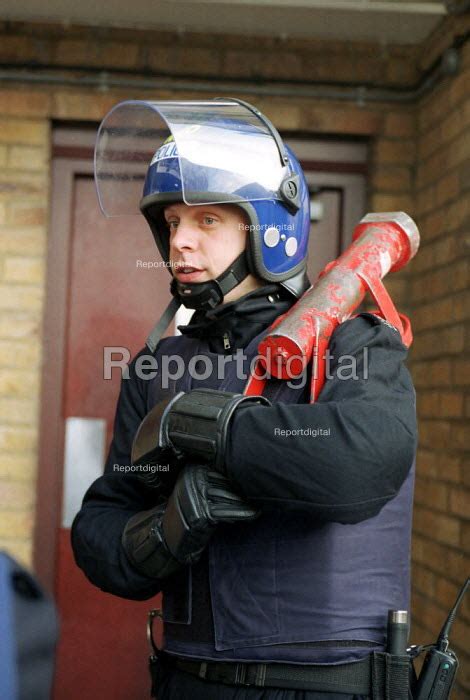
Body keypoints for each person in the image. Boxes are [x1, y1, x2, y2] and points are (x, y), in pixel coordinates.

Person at [72, 99, 417, 700]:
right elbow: (98, 529)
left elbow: (360, 466)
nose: (180, 243)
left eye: (207, 222)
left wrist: (210, 428)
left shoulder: (354, 345)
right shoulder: (158, 367)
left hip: (327, 688)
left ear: (269, 230)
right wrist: (166, 531)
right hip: (187, 683)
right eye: (172, 222)